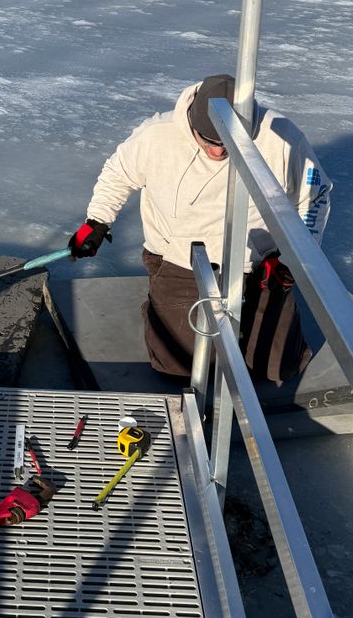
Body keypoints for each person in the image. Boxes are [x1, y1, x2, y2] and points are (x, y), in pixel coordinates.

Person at [68, 74, 332, 385]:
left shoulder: (282, 139)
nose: (218, 152)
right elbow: (118, 174)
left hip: (260, 265)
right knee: (182, 368)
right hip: (179, 262)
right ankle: (160, 307)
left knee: (276, 368)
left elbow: (315, 195)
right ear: (192, 122)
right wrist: (97, 221)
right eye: (208, 141)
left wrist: (291, 258)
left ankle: (273, 322)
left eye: (225, 144)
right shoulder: (157, 135)